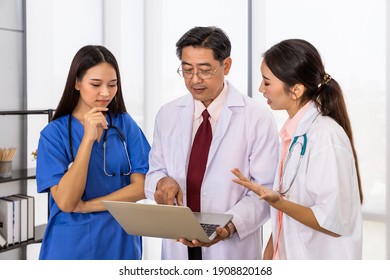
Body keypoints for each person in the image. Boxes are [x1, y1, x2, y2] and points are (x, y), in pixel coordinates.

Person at [145, 26, 279, 260]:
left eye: (205, 70)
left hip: (229, 248)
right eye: (187, 70)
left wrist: (228, 227)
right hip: (178, 246)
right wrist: (161, 182)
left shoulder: (256, 118)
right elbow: (154, 172)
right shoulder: (167, 115)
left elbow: (265, 192)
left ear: (226, 66)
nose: (195, 79)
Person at [232, 39, 363, 260]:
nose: (260, 89)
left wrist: (277, 202)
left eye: (267, 82)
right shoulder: (293, 136)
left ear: (296, 90)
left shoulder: (324, 136)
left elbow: (332, 220)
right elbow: (289, 211)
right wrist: (270, 254)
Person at [36, 45, 150, 260]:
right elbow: (67, 202)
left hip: (120, 239)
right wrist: (87, 140)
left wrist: (89, 206)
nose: (106, 92)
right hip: (70, 245)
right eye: (96, 84)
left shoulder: (124, 125)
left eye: (113, 84)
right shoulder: (54, 134)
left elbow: (143, 187)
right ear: (77, 82)